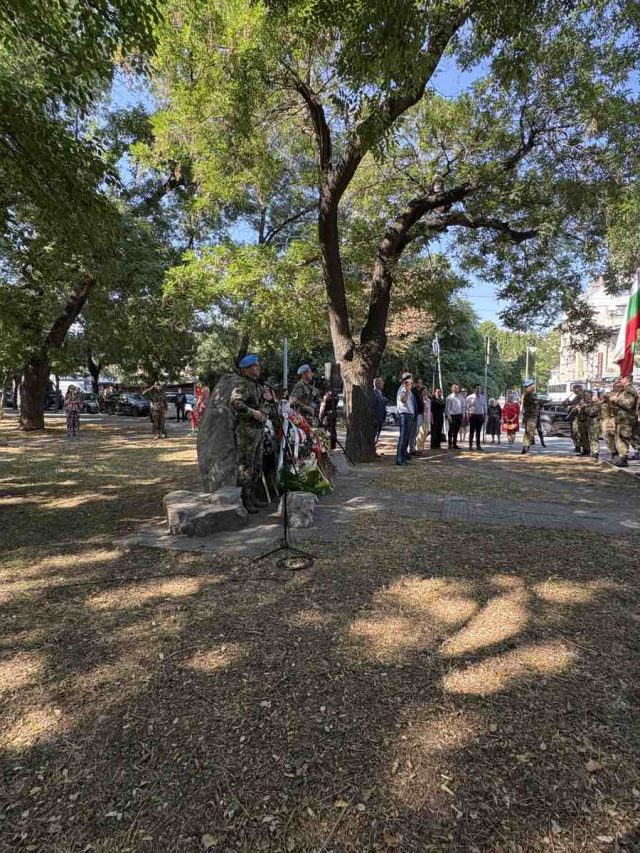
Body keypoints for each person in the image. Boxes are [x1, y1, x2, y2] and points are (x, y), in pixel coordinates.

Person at [230, 354, 271, 513]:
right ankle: (244, 499)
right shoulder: (242, 384)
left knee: (257, 465)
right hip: (247, 432)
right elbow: (235, 402)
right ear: (246, 369)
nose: (258, 368)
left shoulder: (258, 385)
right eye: (255, 366)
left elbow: (266, 403)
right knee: (247, 466)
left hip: (259, 430)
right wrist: (252, 412)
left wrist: (265, 411)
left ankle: (252, 495)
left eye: (257, 365)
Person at [610, 373, 639, 468]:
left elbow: (628, 404)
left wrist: (616, 399)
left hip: (626, 420)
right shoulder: (624, 390)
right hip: (621, 419)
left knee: (623, 439)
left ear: (627, 379)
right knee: (619, 440)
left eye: (622, 378)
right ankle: (621, 458)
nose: (620, 380)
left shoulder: (630, 390)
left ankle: (623, 460)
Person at [396, 372, 415, 465]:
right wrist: (407, 390)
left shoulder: (408, 389)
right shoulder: (403, 389)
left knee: (406, 438)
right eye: (410, 379)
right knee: (403, 438)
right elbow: (403, 400)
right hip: (404, 415)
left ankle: (403, 458)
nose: (412, 381)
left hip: (409, 415)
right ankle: (399, 459)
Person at [577, 389, 600, 459]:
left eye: (586, 395)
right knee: (584, 437)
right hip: (584, 422)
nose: (584, 397)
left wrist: (585, 407)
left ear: (590, 395)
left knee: (593, 438)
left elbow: (592, 413)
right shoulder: (583, 402)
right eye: (584, 395)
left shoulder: (595, 403)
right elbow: (580, 414)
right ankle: (586, 450)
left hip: (593, 423)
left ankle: (595, 452)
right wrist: (579, 409)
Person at [599, 383, 618, 463]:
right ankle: (612, 452)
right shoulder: (603, 403)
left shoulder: (613, 399)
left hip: (610, 420)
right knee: (607, 438)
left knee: (612, 438)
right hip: (605, 420)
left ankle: (613, 453)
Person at [465, 383, 486, 451]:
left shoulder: (483, 397)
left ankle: (478, 445)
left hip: (480, 415)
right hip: (472, 415)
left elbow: (484, 407)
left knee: (478, 431)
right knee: (472, 431)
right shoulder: (469, 397)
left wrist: (485, 416)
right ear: (474, 389)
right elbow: (466, 408)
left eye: (479, 388)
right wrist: (467, 415)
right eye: (477, 388)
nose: (478, 390)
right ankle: (470, 445)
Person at [566, 383, 584, 455]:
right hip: (572, 417)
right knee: (573, 433)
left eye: (574, 389)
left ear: (577, 389)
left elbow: (580, 404)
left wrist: (571, 406)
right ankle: (576, 447)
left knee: (577, 433)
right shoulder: (573, 396)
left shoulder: (582, 396)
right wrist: (567, 402)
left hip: (578, 417)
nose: (573, 391)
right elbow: (566, 403)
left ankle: (579, 447)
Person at [520, 378, 538, 454]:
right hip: (531, 417)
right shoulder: (530, 394)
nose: (534, 386)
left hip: (529, 416)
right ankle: (526, 449)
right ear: (529, 386)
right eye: (532, 384)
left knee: (528, 432)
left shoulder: (526, 394)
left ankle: (526, 449)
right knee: (529, 433)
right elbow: (537, 403)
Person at [319, 385, 339, 450]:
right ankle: (333, 446)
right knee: (333, 430)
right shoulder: (336, 396)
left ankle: (325, 447)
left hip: (326, 416)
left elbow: (323, 407)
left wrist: (320, 417)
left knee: (325, 431)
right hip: (333, 415)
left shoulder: (326, 396)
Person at [409, 378, 425, 454]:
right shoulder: (413, 391)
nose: (421, 384)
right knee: (413, 432)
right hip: (416, 414)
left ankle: (413, 448)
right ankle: (412, 449)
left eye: (421, 382)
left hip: (419, 414)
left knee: (416, 432)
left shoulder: (419, 392)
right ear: (415, 383)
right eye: (419, 382)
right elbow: (414, 404)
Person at [445, 384, 464, 449]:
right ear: (452, 389)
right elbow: (447, 408)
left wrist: (463, 415)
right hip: (452, 415)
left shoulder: (461, 397)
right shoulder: (449, 397)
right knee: (451, 430)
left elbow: (463, 406)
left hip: (459, 415)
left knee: (456, 430)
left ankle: (454, 444)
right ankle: (449, 444)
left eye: (457, 388)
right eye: (455, 388)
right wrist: (449, 417)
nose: (456, 389)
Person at [417, 386, 432, 451]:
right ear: (421, 391)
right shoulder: (420, 399)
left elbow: (430, 410)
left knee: (426, 433)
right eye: (423, 391)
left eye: (426, 391)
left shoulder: (428, 400)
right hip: (422, 418)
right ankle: (418, 447)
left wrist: (431, 418)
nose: (425, 392)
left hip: (427, 418)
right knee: (421, 433)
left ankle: (422, 446)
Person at [373, 378, 387, 444]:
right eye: (382, 382)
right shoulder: (374, 393)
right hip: (376, 419)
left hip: (380, 418)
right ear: (377, 384)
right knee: (374, 435)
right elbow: (373, 406)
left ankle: (374, 446)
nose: (383, 383)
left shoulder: (380, 393)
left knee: (377, 435)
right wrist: (374, 418)